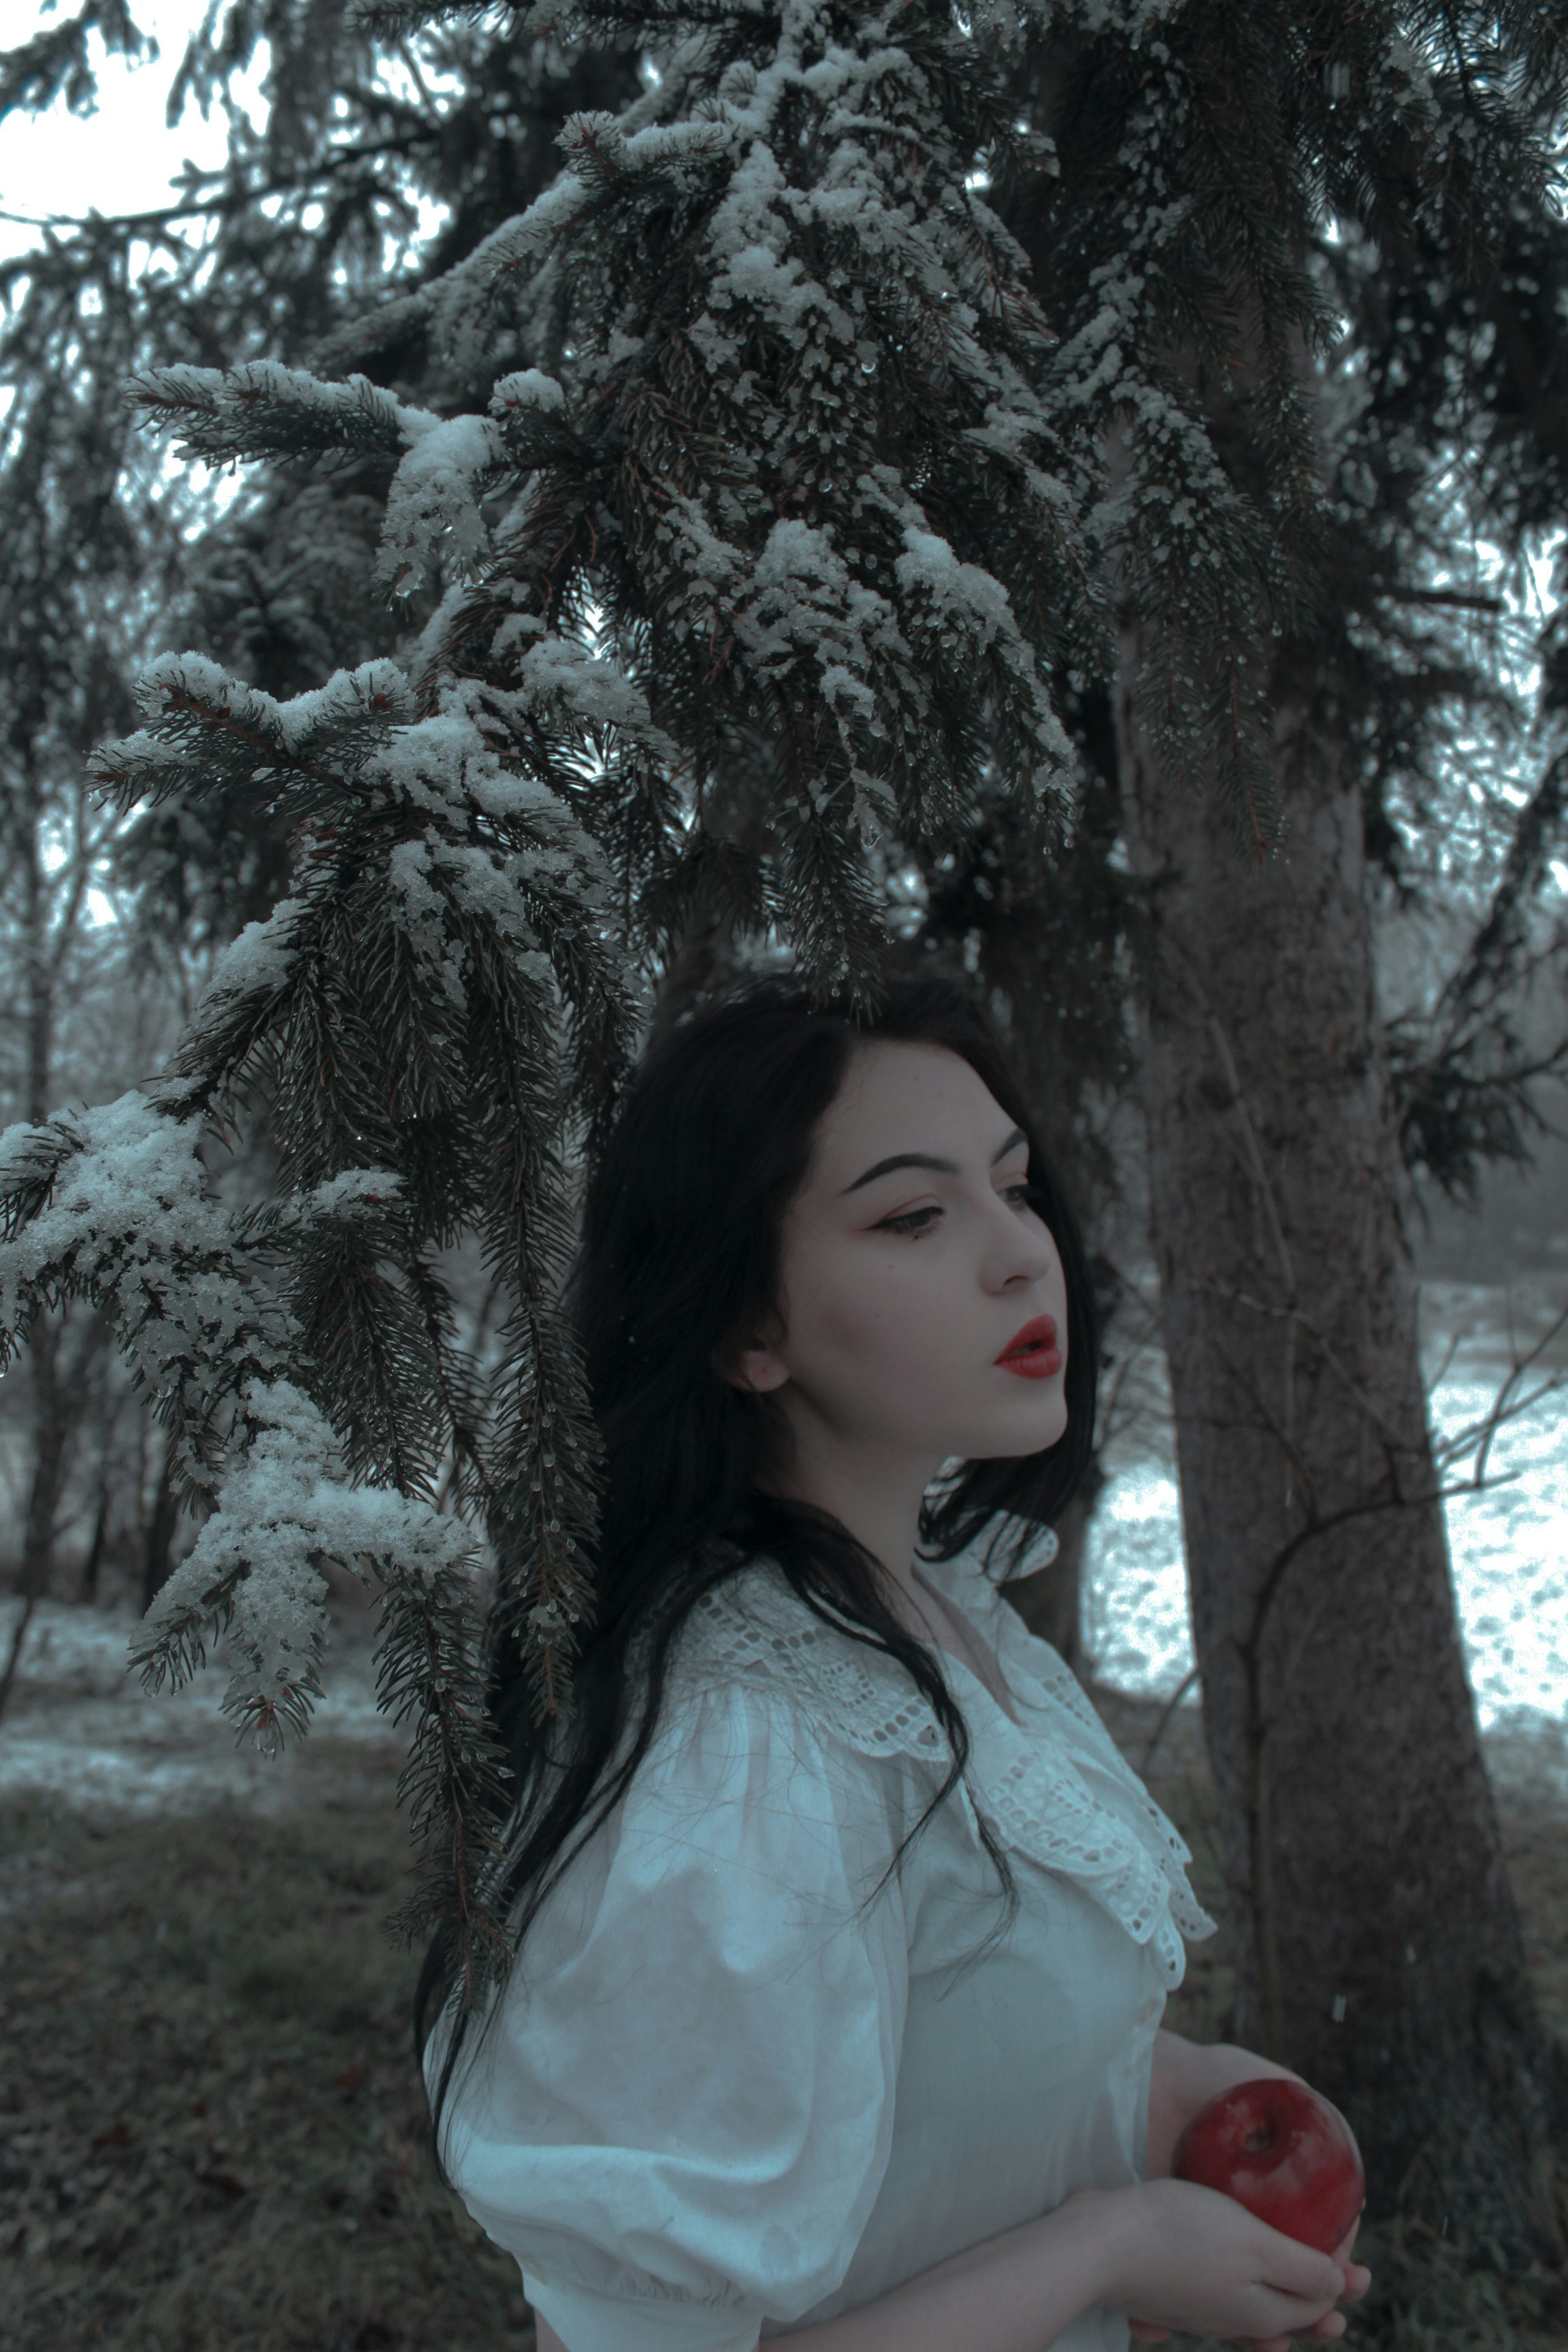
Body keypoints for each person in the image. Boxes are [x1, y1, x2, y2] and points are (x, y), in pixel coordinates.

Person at [416, 970, 1372, 2352]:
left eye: (1014, 1186)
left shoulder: (945, 1615)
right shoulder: (741, 1745)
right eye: (916, 1216)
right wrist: (1108, 2249)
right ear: (748, 1330)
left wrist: (1160, 2092)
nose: (1021, 1256)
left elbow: (915, 2052)